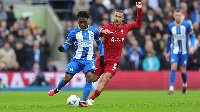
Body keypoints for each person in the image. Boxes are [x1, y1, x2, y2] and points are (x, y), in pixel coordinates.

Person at [87, 2, 142, 105]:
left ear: (122, 19)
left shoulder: (125, 28)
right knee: (93, 79)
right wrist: (103, 32)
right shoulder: (107, 26)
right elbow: (97, 37)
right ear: (114, 16)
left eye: (119, 17)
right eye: (116, 16)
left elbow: (138, 24)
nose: (117, 18)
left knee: (106, 79)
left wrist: (139, 10)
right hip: (103, 58)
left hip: (114, 61)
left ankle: (91, 99)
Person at [48, 11, 104, 107]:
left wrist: (102, 56)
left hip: (89, 60)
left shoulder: (94, 31)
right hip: (76, 60)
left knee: (90, 76)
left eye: (84, 22)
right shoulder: (74, 32)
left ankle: (83, 101)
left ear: (87, 21)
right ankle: (57, 89)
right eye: (80, 22)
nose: (82, 24)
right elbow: (67, 45)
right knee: (67, 78)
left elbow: (99, 44)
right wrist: (62, 49)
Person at [166, 9, 195, 94]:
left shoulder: (187, 24)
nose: (177, 17)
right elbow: (168, 39)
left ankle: (185, 84)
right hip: (174, 51)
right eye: (176, 15)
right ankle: (171, 88)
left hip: (184, 52)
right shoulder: (171, 26)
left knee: (183, 70)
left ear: (182, 15)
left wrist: (192, 47)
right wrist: (167, 52)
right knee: (173, 67)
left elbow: (192, 36)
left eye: (179, 15)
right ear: (173, 16)